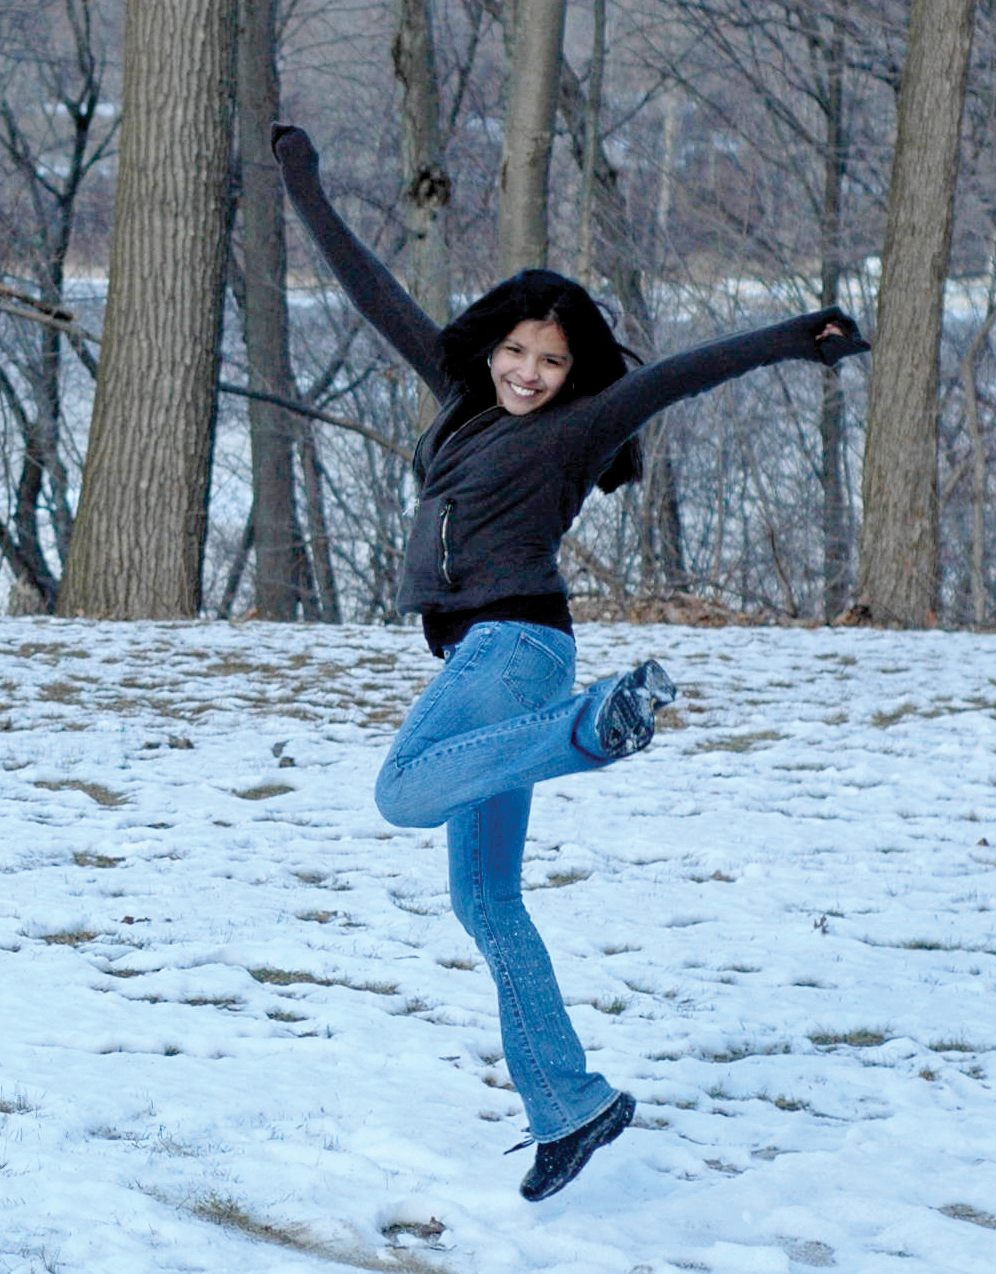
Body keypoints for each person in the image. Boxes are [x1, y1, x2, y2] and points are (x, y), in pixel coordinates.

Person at [271, 124, 870, 1202]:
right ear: (492, 345)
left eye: (550, 361)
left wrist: (795, 336)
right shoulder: (461, 397)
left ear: (572, 370)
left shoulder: (576, 427)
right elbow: (369, 292)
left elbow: (678, 377)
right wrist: (300, 180)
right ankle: (569, 1102)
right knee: (486, 901)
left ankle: (594, 726)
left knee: (401, 791)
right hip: (496, 653)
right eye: (517, 351)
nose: (529, 373)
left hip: (515, 648)